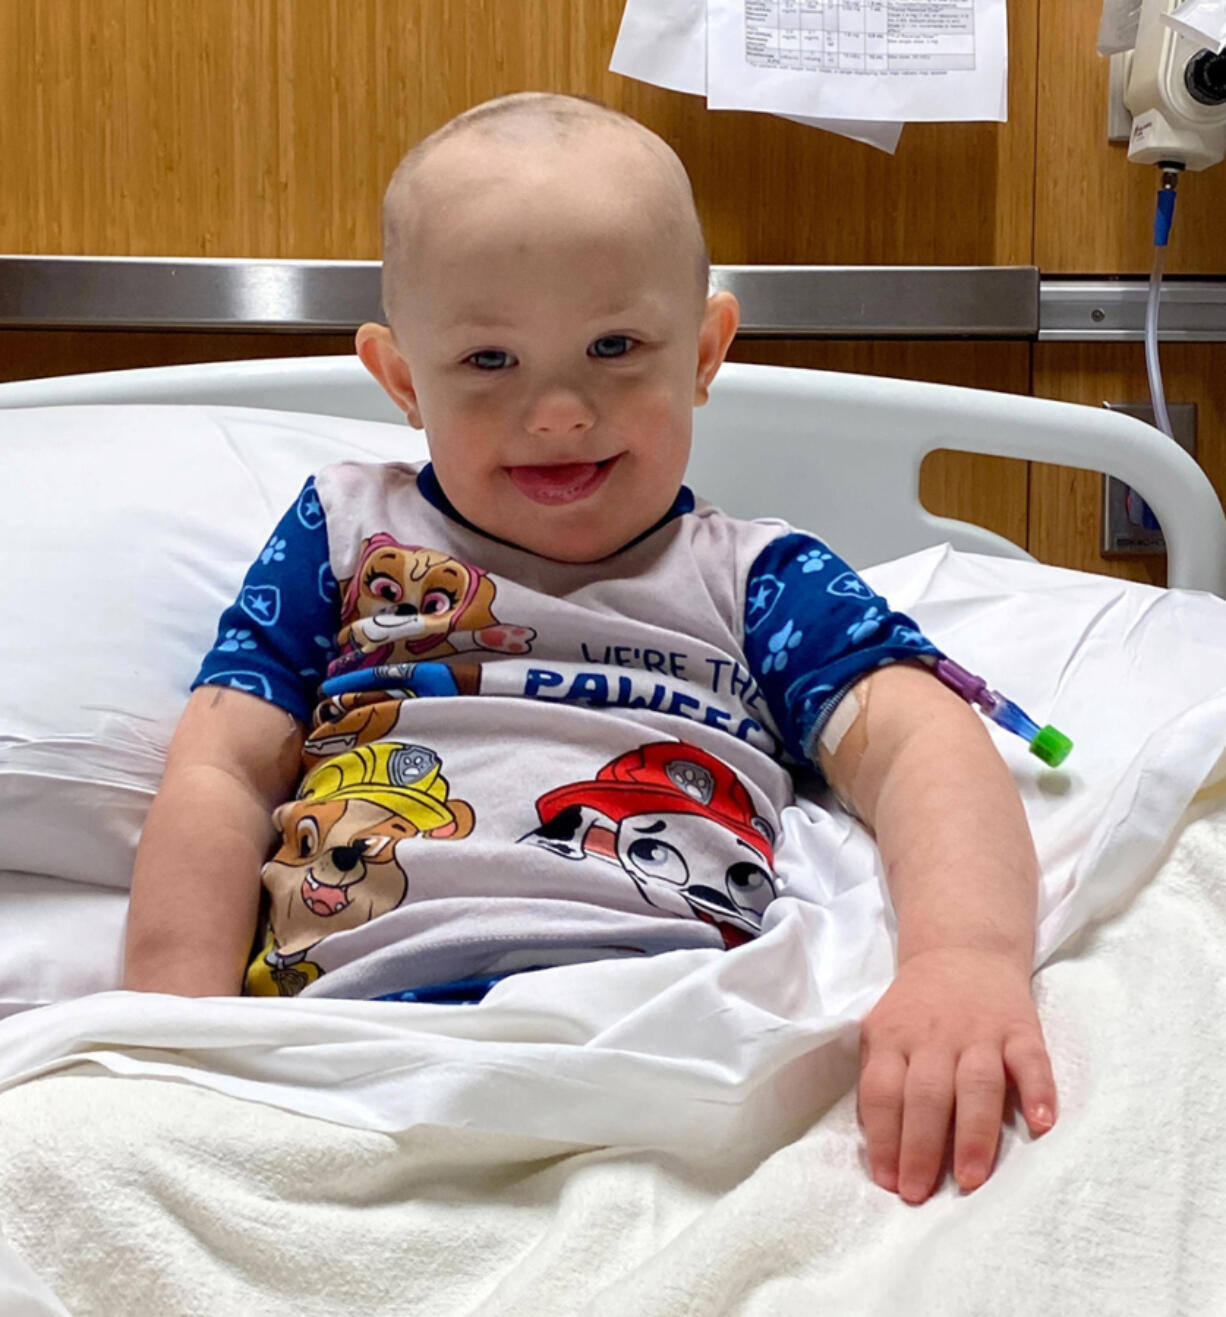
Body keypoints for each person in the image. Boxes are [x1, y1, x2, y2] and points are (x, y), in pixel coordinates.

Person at [122, 91, 1057, 1204]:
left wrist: (963, 963)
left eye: (613, 346)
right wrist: (169, 1032)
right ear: (401, 379)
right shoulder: (340, 536)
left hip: (660, 1034)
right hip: (346, 1041)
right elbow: (223, 762)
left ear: (706, 349)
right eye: (487, 360)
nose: (559, 411)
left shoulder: (760, 580)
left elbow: (917, 741)